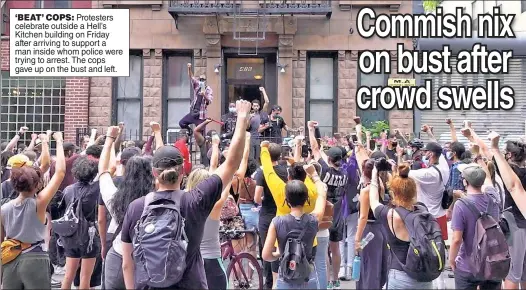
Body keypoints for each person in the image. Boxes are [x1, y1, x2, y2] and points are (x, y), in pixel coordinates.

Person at [121, 100, 251, 289]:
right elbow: (232, 163)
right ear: (182, 172)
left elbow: (127, 263)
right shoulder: (194, 200)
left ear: (154, 173)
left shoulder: (136, 207)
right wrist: (241, 118)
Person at [1, 132, 65, 289]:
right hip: (35, 257)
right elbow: (60, 172)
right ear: (36, 185)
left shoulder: (3, 208)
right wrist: (58, 141)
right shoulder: (40, 203)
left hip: (10, 258)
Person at [97, 126, 155, 290]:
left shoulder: (116, 198)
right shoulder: (159, 198)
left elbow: (103, 171)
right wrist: (156, 135)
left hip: (119, 254)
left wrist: (109, 139)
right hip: (151, 259)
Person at [260, 141, 319, 288]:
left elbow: (268, 171)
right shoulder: (311, 192)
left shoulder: (281, 190)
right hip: (309, 242)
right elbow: (315, 185)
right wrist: (304, 169)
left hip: (282, 244)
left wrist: (264, 149)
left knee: (278, 279)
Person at [369, 163, 433, 289]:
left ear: (393, 193)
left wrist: (374, 174)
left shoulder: (391, 215)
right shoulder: (423, 210)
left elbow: (373, 200)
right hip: (425, 276)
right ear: (414, 191)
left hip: (400, 276)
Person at [308, 121, 348, 290]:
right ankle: (335, 280)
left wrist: (311, 130)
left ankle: (323, 280)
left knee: (323, 249)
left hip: (324, 213)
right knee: (336, 247)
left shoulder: (324, 170)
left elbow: (315, 149)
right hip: (338, 214)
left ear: (330, 159)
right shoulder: (344, 174)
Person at [449, 162, 502, 290]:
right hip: (493, 263)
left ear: (465, 182)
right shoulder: (493, 198)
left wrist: (451, 259)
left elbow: (457, 239)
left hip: (467, 265)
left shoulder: (460, 205)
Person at [60, 154, 102, 290]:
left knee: (68, 276)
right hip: (89, 235)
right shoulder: (96, 189)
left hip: (71, 234)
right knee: (85, 278)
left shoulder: (68, 190)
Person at [254, 141, 287, 288]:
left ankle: (268, 283)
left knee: (266, 249)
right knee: (280, 248)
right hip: (281, 212)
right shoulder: (285, 171)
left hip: (267, 214)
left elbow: (256, 197)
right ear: (279, 156)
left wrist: (262, 200)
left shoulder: (263, 173)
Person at [354, 158, 389, 289]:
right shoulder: (379, 184)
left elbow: (363, 216)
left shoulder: (366, 191)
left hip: (368, 231)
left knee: (368, 267)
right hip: (380, 229)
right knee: (376, 266)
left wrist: (357, 239)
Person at [407, 141, 450, 241]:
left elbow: (404, 172)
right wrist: (429, 133)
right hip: (440, 214)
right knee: (440, 247)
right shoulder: (444, 167)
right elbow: (439, 148)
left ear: (431, 154)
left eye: (426, 151)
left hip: (428, 216)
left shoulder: (429, 174)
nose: (423, 153)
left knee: (426, 247)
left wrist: (400, 159)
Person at [179, 63, 213, 135]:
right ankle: (190, 131)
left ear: (205, 80)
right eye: (200, 79)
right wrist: (189, 68)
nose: (201, 81)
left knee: (200, 134)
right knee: (182, 123)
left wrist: (204, 95)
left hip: (201, 116)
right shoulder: (197, 86)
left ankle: (202, 145)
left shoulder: (208, 89)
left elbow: (209, 101)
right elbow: (191, 77)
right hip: (194, 113)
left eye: (203, 80)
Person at [249, 87, 270, 161]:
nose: (256, 107)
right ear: (252, 106)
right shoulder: (249, 115)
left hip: (259, 138)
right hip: (251, 137)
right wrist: (249, 118)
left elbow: (267, 102)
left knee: (258, 157)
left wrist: (263, 91)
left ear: (259, 106)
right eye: (254, 106)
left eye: (257, 106)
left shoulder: (261, 113)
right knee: (251, 157)